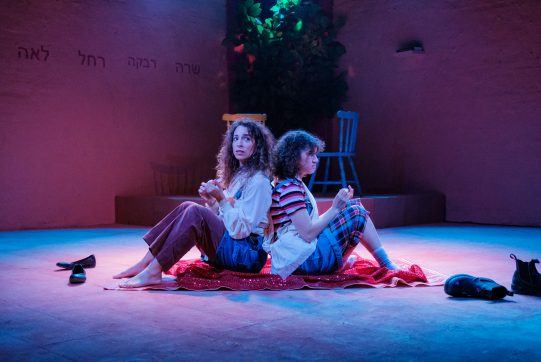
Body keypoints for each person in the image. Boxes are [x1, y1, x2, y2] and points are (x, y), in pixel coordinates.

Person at [114, 119, 275, 287]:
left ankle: (154, 272)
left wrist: (221, 199)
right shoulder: (238, 176)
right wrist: (213, 201)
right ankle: (145, 263)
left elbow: (240, 231)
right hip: (233, 247)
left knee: (195, 212)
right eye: (236, 138)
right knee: (187, 206)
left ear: (258, 146)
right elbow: (224, 220)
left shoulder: (258, 182)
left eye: (247, 139)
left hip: (246, 256)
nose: (239, 144)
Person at [267, 130, 398, 279]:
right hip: (301, 260)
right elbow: (308, 234)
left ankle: (342, 263)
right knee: (356, 213)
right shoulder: (290, 188)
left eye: (316, 155)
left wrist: (340, 207)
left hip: (299, 256)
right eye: (310, 154)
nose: (316, 160)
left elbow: (308, 227)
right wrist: (335, 208)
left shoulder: (290, 184)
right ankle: (386, 264)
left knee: (351, 206)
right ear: (293, 156)